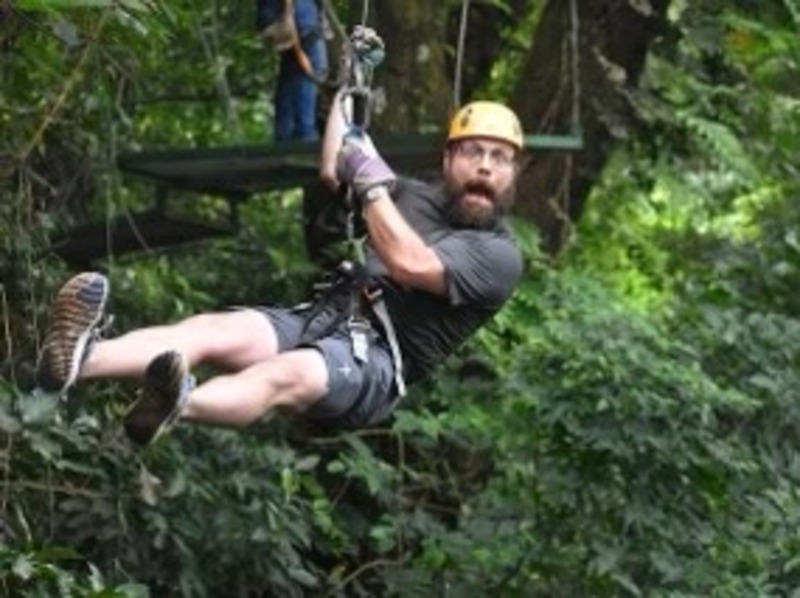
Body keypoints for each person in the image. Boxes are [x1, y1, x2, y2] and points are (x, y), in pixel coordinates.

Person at [35, 94, 525, 447]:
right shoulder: (410, 195)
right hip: (324, 314)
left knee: (283, 373)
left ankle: (179, 403)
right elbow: (338, 164)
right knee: (213, 330)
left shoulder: (499, 254)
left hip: (375, 362)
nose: (484, 167)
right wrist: (347, 91)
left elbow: (409, 262)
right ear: (448, 158)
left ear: (512, 175)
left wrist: (371, 182)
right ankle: (78, 361)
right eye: (472, 152)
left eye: (499, 158)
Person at [257, 0, 329, 142]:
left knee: (298, 115)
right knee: (292, 115)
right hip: (298, 34)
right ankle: (294, 147)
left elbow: (288, 25)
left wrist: (299, 52)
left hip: (300, 35)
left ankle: (294, 149)